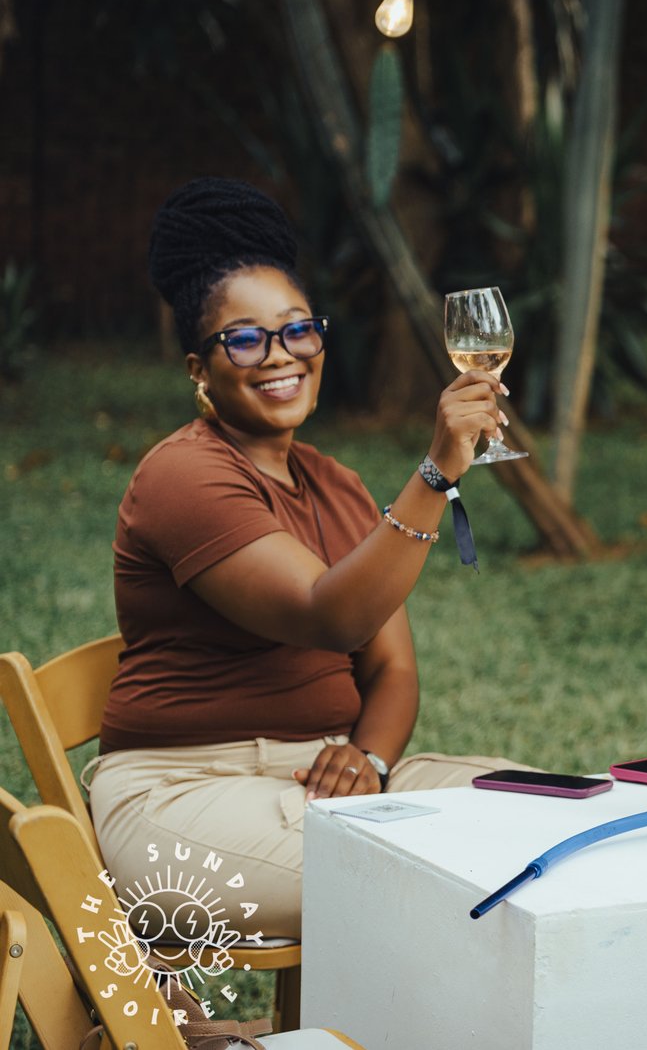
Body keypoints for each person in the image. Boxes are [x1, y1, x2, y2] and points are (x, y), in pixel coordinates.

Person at [89, 178, 536, 938]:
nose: (281, 356)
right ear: (199, 369)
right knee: (447, 880)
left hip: (328, 783)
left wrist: (371, 759)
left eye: (299, 330)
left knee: (554, 821)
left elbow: (391, 669)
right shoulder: (183, 475)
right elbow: (327, 616)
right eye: (245, 339)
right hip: (184, 796)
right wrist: (436, 473)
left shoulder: (335, 484)